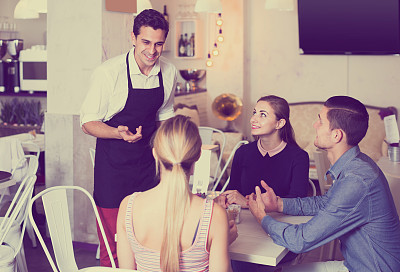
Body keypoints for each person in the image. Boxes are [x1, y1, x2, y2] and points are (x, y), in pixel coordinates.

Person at [249, 96, 400, 272]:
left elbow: (300, 240)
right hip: (356, 264)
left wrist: (262, 218)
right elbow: (325, 202)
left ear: (337, 135)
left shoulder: (357, 180)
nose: (315, 125)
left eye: (320, 121)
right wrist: (280, 204)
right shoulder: (357, 164)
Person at [80, 9, 177, 266]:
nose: (152, 51)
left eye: (158, 44)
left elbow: (164, 115)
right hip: (112, 168)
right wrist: (116, 133)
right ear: (133, 38)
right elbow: (87, 122)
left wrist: (169, 153)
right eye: (146, 42)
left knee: (148, 241)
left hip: (148, 166)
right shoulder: (108, 73)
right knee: (112, 244)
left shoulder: (169, 72)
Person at [116, 115, 233, 271]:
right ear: (198, 155)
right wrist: (223, 241)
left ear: (155, 153)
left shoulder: (128, 207)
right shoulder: (214, 215)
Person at [218, 95, 309, 208]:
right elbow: (233, 192)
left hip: (281, 222)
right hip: (245, 221)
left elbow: (297, 203)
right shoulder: (242, 153)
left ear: (279, 123)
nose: (253, 120)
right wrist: (225, 198)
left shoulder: (299, 157)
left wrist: (248, 203)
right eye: (254, 113)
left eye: (263, 115)